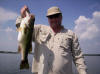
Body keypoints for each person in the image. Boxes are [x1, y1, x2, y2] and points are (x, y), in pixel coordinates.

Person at [16, 5, 87, 74]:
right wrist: (22, 16)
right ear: (48, 18)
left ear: (61, 17)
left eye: (56, 16)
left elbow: (78, 57)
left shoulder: (71, 35)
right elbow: (21, 28)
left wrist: (83, 72)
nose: (53, 19)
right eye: (50, 17)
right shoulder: (39, 29)